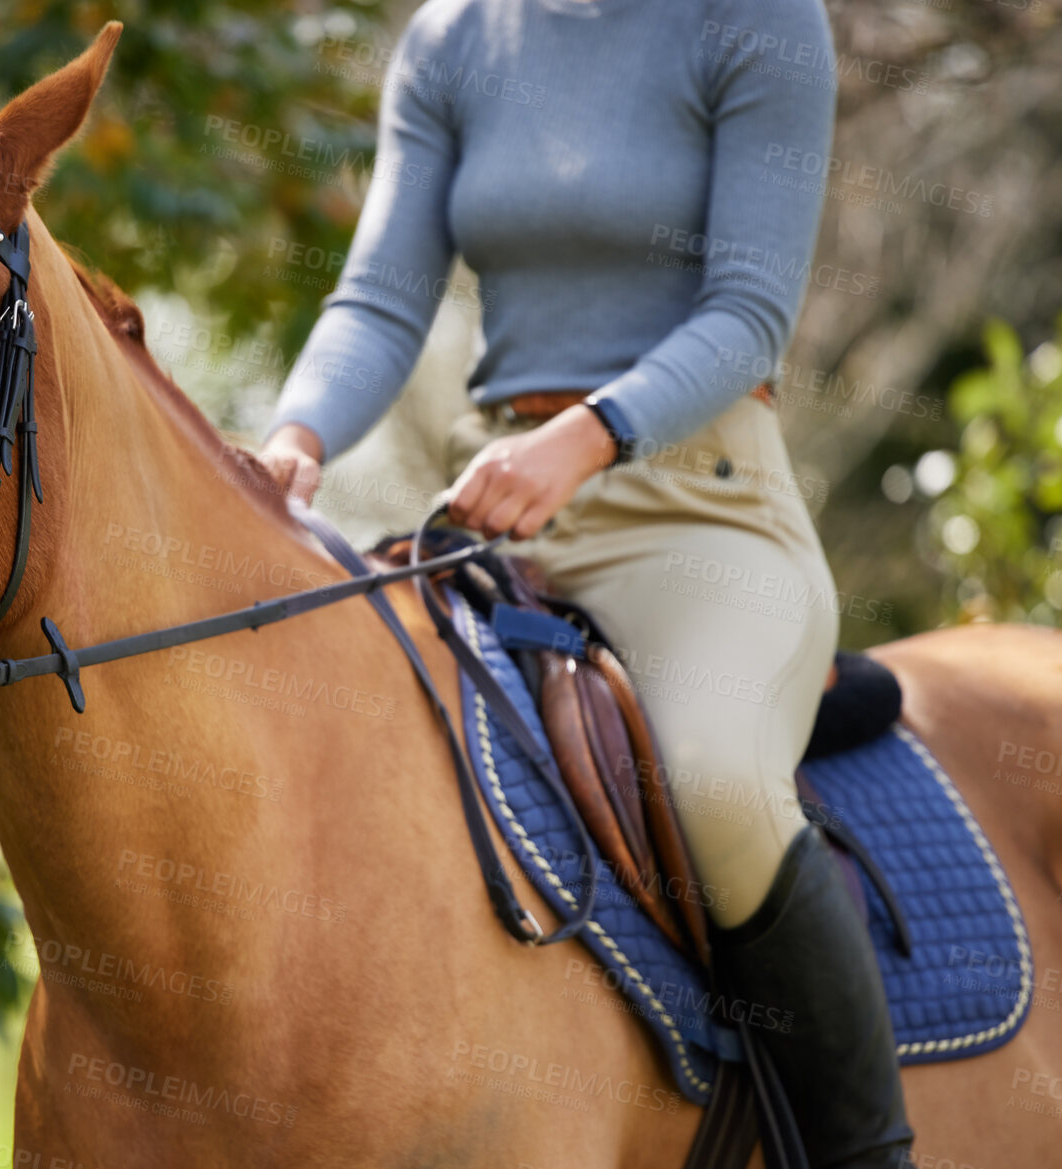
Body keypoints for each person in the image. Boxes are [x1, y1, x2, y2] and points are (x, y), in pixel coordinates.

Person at [258, 0, 911, 1163]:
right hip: (502, 520)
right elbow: (380, 299)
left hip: (703, 510)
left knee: (713, 781)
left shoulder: (758, 22)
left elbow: (751, 314)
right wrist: (293, 442)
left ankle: (868, 1151)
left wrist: (587, 436)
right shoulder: (454, 39)